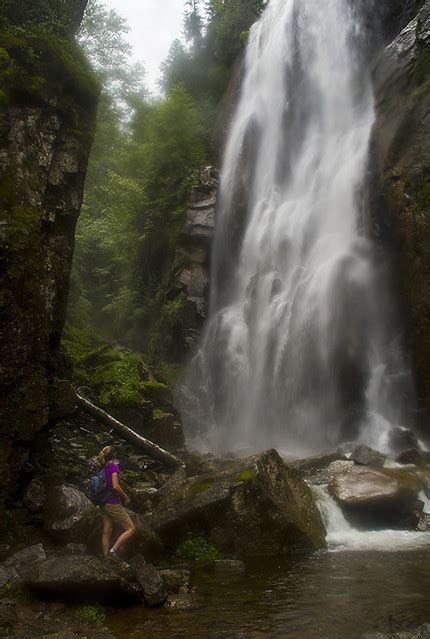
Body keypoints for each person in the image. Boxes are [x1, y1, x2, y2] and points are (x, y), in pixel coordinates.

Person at [95, 445, 136, 561]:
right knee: (131, 529)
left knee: (107, 530)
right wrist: (125, 496)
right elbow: (115, 486)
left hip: (103, 502)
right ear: (114, 455)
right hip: (112, 502)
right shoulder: (113, 466)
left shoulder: (101, 467)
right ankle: (113, 552)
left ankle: (105, 557)